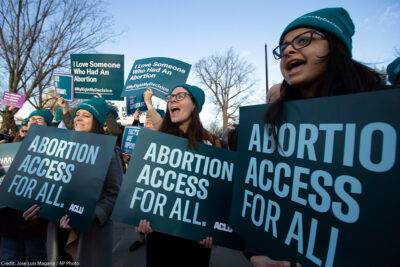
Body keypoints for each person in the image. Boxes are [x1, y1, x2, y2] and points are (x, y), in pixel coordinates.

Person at [249, 7, 391, 267]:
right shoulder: (271, 126)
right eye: (283, 48)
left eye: (303, 40)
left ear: (335, 47)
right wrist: (256, 253)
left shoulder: (386, 114)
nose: (289, 51)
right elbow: (261, 204)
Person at [23, 97, 123, 266]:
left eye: (86, 115)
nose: (78, 118)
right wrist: (35, 210)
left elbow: (114, 194)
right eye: (77, 114)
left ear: (97, 122)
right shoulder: (59, 148)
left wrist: (93, 215)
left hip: (91, 233)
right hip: (58, 228)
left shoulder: (109, 151)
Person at [136, 84, 220, 267]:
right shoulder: (158, 142)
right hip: (159, 237)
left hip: (195, 241)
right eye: (170, 97)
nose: (172, 99)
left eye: (180, 96)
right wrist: (138, 216)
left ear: (195, 105)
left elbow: (218, 196)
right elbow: (144, 186)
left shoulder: (211, 146)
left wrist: (213, 230)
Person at [0, 109, 53, 265]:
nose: (34, 121)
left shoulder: (54, 150)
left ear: (48, 126)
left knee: (35, 258)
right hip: (8, 217)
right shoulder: (11, 146)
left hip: (34, 217)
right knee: (10, 259)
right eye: (31, 119)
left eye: (40, 119)